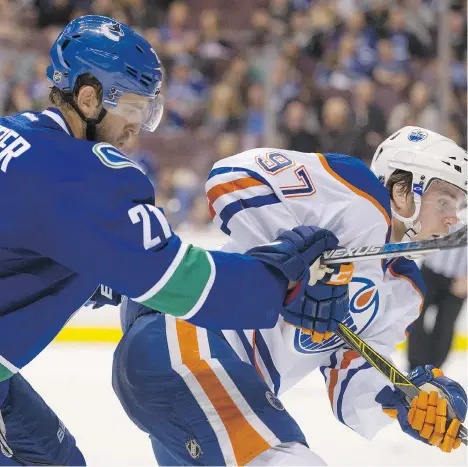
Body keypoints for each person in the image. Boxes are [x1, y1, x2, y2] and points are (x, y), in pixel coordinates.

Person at [0, 16, 339, 466]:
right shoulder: (78, 172)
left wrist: (98, 275)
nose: (138, 126)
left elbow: (27, 246)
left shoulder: (16, 134)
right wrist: (278, 278)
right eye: (135, 108)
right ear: (88, 98)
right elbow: (183, 283)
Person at [112, 127, 467, 465]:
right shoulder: (358, 197)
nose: (454, 218)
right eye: (446, 200)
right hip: (187, 341)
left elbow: (350, 377)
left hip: (225, 385)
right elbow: (229, 179)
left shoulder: (406, 289)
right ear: (405, 191)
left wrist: (404, 401)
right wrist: (291, 269)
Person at [407, 225, 467, 370]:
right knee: (416, 315)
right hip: (430, 270)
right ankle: (415, 365)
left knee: (445, 325)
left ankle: (434, 370)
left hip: (459, 280)